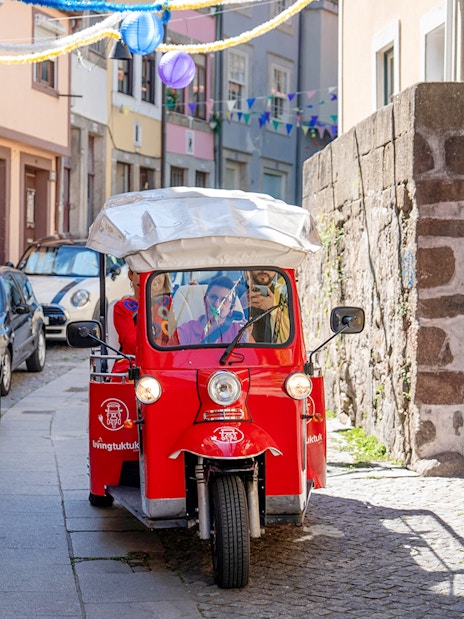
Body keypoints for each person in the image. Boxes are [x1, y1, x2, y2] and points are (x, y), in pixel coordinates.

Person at [168, 275, 251, 346]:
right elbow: (169, 360)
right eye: (213, 297)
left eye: (224, 300)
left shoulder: (239, 332)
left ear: (232, 307)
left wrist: (247, 341)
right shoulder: (184, 332)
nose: (217, 304)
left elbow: (253, 361)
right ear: (205, 300)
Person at [244, 270, 290, 343]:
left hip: (273, 353)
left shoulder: (285, 298)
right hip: (241, 352)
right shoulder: (234, 293)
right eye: (260, 264)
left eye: (269, 265)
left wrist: (274, 309)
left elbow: (293, 335)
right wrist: (239, 305)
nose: (264, 270)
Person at [112, 269, 139, 374]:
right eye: (140, 273)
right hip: (133, 363)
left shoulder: (170, 305)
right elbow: (132, 345)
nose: (148, 277)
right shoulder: (123, 307)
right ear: (131, 275)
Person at [150, 272, 172, 345]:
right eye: (150, 272)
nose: (155, 277)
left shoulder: (171, 303)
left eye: (158, 272)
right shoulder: (131, 305)